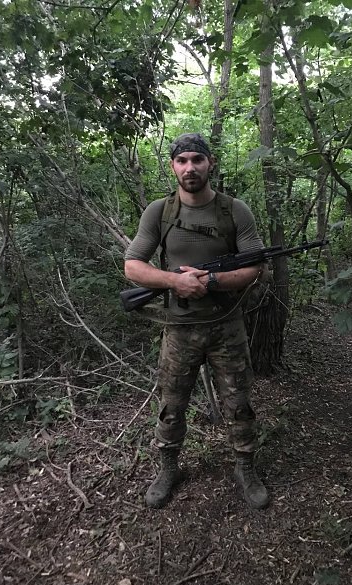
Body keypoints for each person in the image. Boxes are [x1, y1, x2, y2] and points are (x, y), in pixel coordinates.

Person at [124, 133, 269, 510]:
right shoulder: (159, 211)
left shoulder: (235, 210)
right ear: (173, 166)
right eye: (182, 160)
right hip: (179, 329)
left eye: (197, 160)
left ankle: (245, 468)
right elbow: (133, 266)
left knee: (239, 402)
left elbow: (256, 268)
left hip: (227, 327)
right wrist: (175, 281)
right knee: (172, 405)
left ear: (210, 163)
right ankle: (168, 468)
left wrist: (213, 281)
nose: (190, 167)